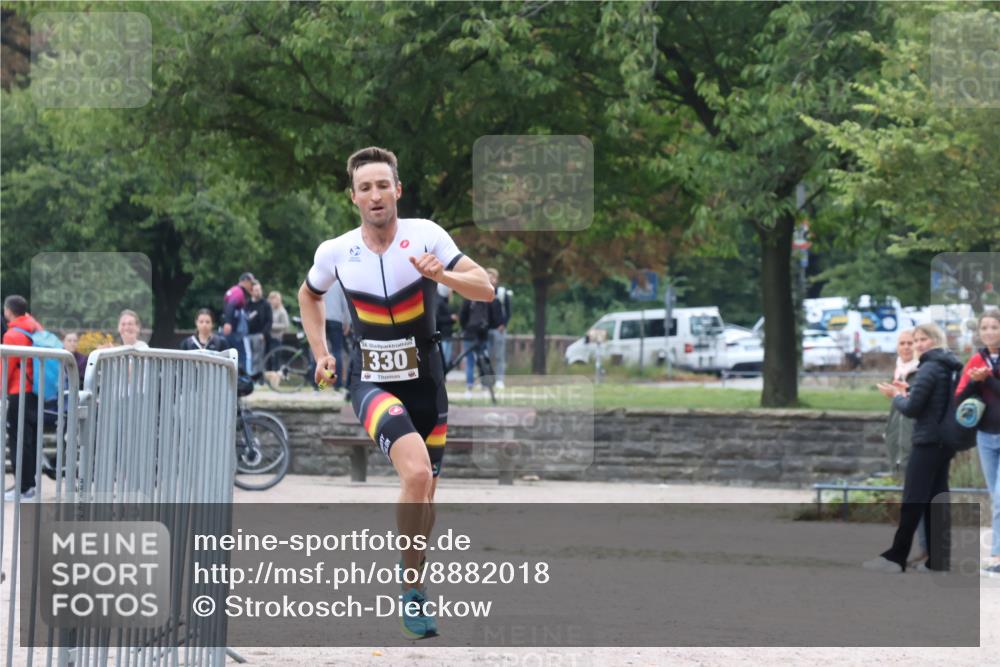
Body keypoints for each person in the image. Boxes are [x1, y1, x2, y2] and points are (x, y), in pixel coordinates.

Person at [297, 146, 493, 638]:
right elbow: (309, 295)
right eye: (365, 188)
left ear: (397, 190)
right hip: (372, 382)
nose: (376, 195)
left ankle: (416, 582)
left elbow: (484, 288)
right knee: (416, 471)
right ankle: (409, 591)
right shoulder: (336, 251)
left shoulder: (426, 236)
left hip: (428, 383)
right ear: (354, 197)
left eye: (383, 185)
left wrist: (441, 276)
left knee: (425, 494)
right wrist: (321, 351)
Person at [868, 323, 962, 573]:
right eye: (916, 339)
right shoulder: (949, 366)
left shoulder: (929, 367)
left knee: (912, 499)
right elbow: (934, 400)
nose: (919, 344)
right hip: (945, 442)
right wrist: (908, 391)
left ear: (935, 340)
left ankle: (896, 557)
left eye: (924, 339)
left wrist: (896, 397)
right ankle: (938, 560)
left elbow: (913, 409)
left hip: (927, 441)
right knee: (936, 500)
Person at [955, 309, 1000, 575]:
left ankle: (996, 556)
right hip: (985, 437)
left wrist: (989, 379)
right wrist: (974, 383)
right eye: (985, 328)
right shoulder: (976, 360)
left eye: (994, 327)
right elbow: (959, 399)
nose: (989, 332)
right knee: (995, 497)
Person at [882, 328, 927, 566]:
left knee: (917, 499)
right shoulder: (899, 370)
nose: (907, 347)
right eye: (902, 343)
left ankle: (925, 550)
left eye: (911, 342)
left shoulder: (920, 372)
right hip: (900, 444)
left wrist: (900, 394)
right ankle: (922, 550)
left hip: (916, 443)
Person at [3, 295, 41, 501]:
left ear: (9, 311)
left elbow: (6, 367)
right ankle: (29, 484)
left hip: (19, 391)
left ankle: (24, 487)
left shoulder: (12, 334)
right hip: (35, 390)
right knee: (30, 439)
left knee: (18, 439)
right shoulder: (34, 326)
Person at [459, 295, 491, 399]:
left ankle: (469, 387)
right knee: (483, 360)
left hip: (470, 333)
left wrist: (466, 328)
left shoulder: (468, 299)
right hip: (482, 334)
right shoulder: (486, 298)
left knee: (470, 362)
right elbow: (490, 317)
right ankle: (485, 387)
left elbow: (462, 316)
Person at [223, 272, 254, 374]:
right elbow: (231, 305)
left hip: (230, 329)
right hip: (235, 331)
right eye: (251, 283)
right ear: (245, 281)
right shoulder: (239, 292)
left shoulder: (232, 290)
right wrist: (228, 323)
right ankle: (244, 378)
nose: (252, 286)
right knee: (243, 355)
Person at [485, 268, 511, 390]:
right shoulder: (482, 291)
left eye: (493, 277)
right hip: (485, 330)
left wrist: (503, 324)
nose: (491, 279)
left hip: (498, 329)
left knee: (499, 356)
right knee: (487, 357)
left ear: (496, 279)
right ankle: (488, 381)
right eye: (488, 276)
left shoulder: (501, 293)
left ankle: (500, 380)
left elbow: (509, 311)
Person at [322, 282, 350, 392]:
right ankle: (337, 385)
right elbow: (345, 303)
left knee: (320, 352)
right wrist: (347, 322)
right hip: (336, 319)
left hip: (321, 319)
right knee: (337, 352)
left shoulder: (320, 278)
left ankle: (319, 385)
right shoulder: (339, 283)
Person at [246, 280, 272, 376]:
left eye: (259, 289)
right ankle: (249, 375)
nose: (258, 292)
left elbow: (269, 321)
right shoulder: (247, 304)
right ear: (251, 291)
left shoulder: (265, 304)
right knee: (249, 357)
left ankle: (258, 377)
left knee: (259, 357)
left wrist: (264, 334)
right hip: (248, 335)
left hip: (259, 334)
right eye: (256, 290)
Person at [435, 284, 457, 366]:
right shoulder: (439, 302)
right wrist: (450, 318)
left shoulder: (446, 302)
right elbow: (438, 319)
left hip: (448, 333)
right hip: (443, 334)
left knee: (446, 359)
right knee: (443, 359)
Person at [268, 291, 290, 368]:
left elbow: (286, 325)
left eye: (274, 299)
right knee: (269, 358)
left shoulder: (282, 311)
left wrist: (272, 326)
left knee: (276, 358)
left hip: (277, 338)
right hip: (269, 337)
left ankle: (276, 375)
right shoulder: (270, 310)